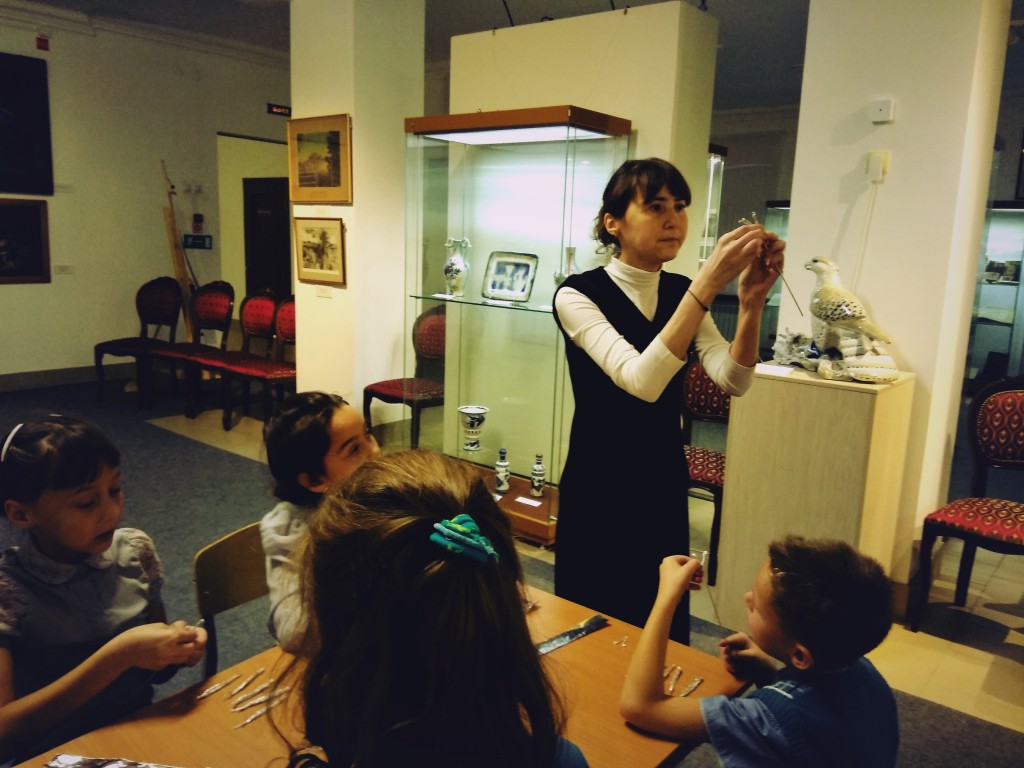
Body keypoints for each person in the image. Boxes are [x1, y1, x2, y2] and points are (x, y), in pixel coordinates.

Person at [552, 157, 784, 641]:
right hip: (600, 477)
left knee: (660, 610)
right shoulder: (576, 295)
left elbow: (733, 378)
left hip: (660, 474)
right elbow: (641, 380)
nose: (673, 219)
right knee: (595, 616)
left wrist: (750, 303)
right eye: (655, 207)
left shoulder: (681, 291)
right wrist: (707, 284)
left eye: (679, 207)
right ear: (613, 223)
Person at [278, 450, 587, 767]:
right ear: (501, 597)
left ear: (325, 611)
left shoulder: (341, 752)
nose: (373, 449)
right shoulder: (561, 761)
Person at [0, 416, 207, 762]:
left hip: (138, 732)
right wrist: (118, 656)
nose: (111, 512)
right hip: (55, 754)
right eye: (85, 503)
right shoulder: (8, 592)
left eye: (115, 490)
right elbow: (4, 735)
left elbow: (156, 673)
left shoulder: (135, 551)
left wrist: (177, 648)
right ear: (21, 514)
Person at [619, 535, 899, 768]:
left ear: (800, 656)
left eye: (756, 606)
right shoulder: (864, 670)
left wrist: (668, 595)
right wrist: (769, 673)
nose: (747, 598)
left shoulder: (764, 719)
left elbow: (641, 707)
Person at [261, 391, 379, 652]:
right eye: (354, 449)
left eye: (368, 434)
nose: (375, 451)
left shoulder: (373, 498)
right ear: (315, 480)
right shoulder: (291, 532)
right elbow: (295, 632)